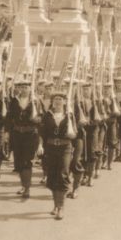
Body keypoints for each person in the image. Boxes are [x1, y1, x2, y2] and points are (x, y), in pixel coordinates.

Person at [39, 90, 76, 220]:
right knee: (53, 175)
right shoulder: (47, 115)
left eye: (61, 99)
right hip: (50, 148)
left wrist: (72, 135)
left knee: (63, 174)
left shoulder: (70, 115)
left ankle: (61, 207)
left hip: (65, 148)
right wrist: (40, 146)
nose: (58, 101)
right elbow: (41, 132)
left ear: (65, 102)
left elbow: (75, 133)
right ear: (52, 102)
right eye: (56, 99)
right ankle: (55, 205)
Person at [7, 77, 40, 199]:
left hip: (30, 135)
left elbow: (42, 119)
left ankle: (27, 188)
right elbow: (9, 118)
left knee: (27, 161)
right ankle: (23, 184)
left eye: (26, 87)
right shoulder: (14, 101)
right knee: (19, 162)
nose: (24, 90)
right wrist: (7, 132)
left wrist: (37, 120)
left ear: (30, 88)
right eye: (22, 87)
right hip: (17, 135)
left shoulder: (35, 102)